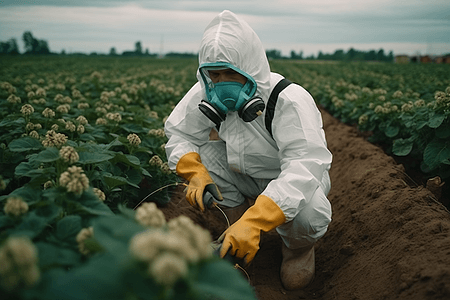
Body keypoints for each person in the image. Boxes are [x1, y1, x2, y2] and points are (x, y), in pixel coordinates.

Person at [164, 10, 332, 290]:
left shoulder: (288, 99)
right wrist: (193, 171)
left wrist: (257, 220)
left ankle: (297, 249)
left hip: (289, 179)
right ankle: (237, 229)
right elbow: (179, 132)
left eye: (231, 73)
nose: (222, 82)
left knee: (309, 212)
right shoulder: (205, 91)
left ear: (250, 68)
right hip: (243, 173)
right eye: (215, 74)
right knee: (203, 157)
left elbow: (304, 165)